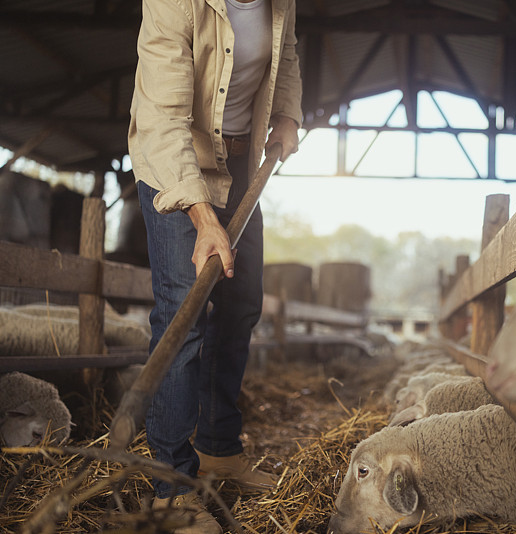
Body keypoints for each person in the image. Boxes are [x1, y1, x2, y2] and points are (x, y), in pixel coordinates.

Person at [128, 0, 302, 531]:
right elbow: (162, 119)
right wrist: (203, 218)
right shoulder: (172, 3)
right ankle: (171, 486)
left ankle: (220, 449)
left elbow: (286, 53)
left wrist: (289, 115)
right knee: (185, 311)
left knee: (240, 304)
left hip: (242, 161)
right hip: (176, 167)